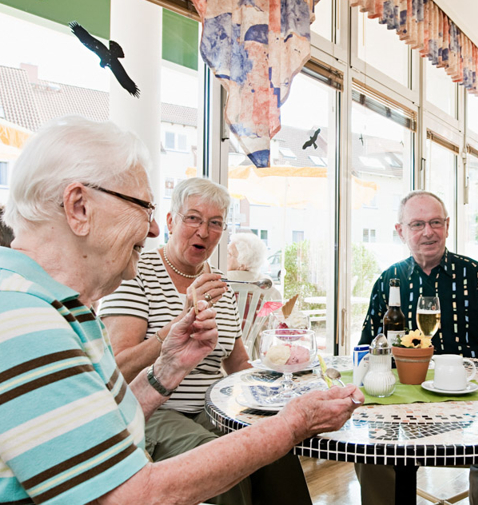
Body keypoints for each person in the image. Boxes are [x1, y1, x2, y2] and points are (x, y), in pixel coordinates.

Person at [0, 116, 364, 505]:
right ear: (79, 207)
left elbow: (103, 426)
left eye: (215, 223)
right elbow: (127, 496)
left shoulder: (54, 307)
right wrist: (291, 425)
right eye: (143, 206)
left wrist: (169, 367)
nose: (154, 229)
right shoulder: (24, 320)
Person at [99, 177, 308, 504]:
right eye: (193, 218)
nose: (204, 231)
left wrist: (284, 381)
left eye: (215, 223)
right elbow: (116, 368)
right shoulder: (136, 274)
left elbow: (238, 363)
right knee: (217, 464)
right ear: (170, 221)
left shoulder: (219, 285)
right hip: (154, 413)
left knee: (277, 447)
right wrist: (174, 328)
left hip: (215, 409)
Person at [356, 190, 478, 505]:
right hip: (402, 412)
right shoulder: (388, 281)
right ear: (401, 231)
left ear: (447, 226)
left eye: (435, 222)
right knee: (370, 453)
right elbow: (368, 353)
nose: (428, 232)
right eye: (417, 224)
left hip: (474, 409)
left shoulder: (474, 276)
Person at [228, 231, 282, 302]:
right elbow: (276, 307)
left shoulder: (223, 280)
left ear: (242, 265)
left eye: (229, 253)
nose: (224, 257)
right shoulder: (267, 285)